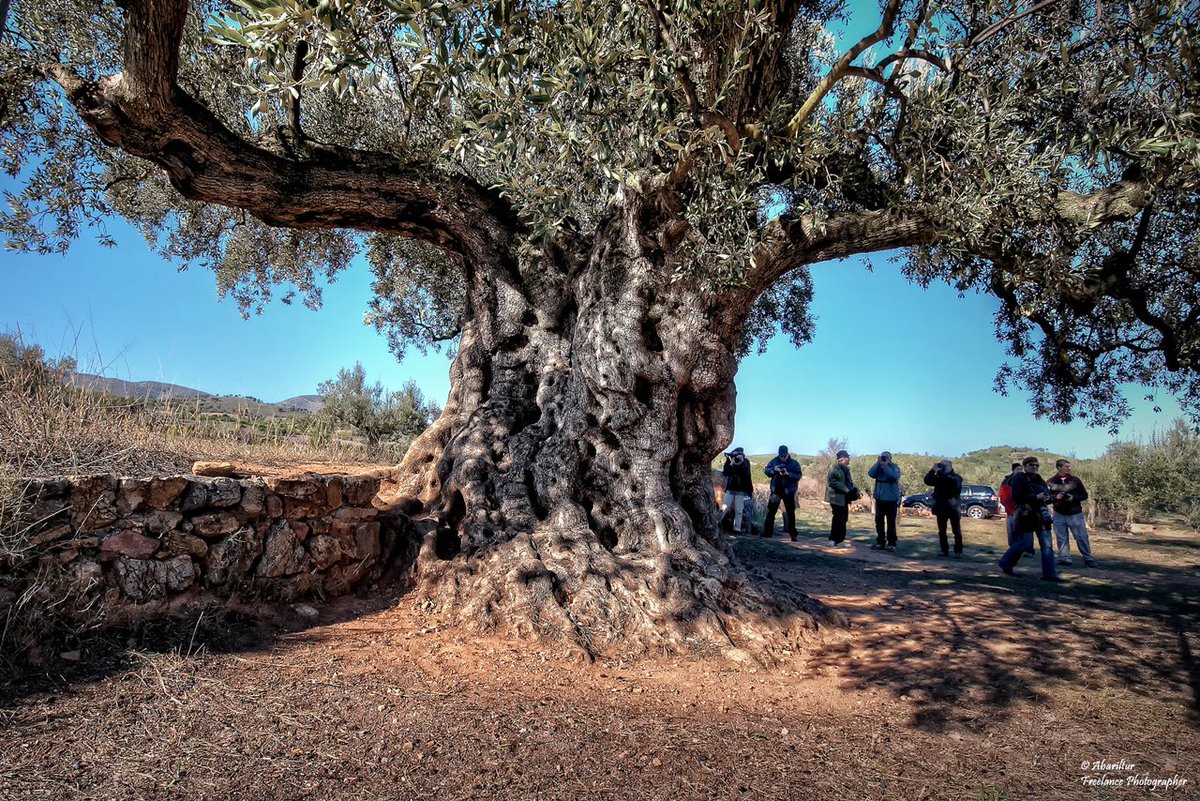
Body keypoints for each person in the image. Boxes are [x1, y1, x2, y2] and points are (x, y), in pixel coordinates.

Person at [998, 456, 1062, 581]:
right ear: (1025, 466)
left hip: (1042, 517)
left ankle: (1050, 574)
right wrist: (1035, 497)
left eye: (1037, 465)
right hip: (1026, 516)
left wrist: (1049, 498)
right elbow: (1016, 496)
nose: (1034, 467)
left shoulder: (1040, 480)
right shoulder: (1019, 479)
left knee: (1047, 546)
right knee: (1023, 544)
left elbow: (1048, 496)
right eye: (1031, 465)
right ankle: (1006, 563)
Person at [1045, 458, 1097, 567]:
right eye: (1066, 466)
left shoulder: (1075, 480)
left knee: (1081, 537)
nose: (1069, 468)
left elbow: (1084, 495)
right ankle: (1064, 558)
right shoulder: (1051, 481)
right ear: (1059, 467)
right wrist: (1056, 497)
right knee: (1061, 538)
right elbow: (1046, 498)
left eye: (1069, 466)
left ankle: (1088, 558)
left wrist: (1073, 498)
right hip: (1059, 514)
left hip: (1075, 514)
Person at [924, 460, 963, 557]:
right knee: (942, 531)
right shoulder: (939, 477)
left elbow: (954, 483)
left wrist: (941, 473)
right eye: (942, 465)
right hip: (941, 508)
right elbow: (927, 481)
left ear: (950, 466)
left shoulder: (956, 477)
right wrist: (932, 470)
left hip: (953, 508)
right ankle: (944, 550)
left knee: (956, 531)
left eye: (945, 465)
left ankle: (958, 551)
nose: (943, 467)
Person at [763, 446, 802, 540]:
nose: (783, 458)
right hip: (776, 490)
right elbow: (766, 471)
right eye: (781, 456)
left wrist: (788, 474)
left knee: (790, 513)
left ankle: (793, 534)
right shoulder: (774, 461)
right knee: (771, 512)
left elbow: (798, 475)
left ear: (787, 453)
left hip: (789, 491)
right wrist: (774, 470)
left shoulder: (794, 463)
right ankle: (768, 532)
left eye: (784, 456)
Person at [998, 461, 1035, 557]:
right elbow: (1003, 495)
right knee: (1011, 532)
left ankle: (1028, 550)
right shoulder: (1007, 481)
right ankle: (1013, 549)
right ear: (1013, 470)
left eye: (1021, 469)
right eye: (1017, 469)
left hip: (1023, 510)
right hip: (1011, 511)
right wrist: (1008, 507)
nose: (1020, 471)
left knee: (1026, 532)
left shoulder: (1026, 479)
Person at [868, 451, 901, 551]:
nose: (884, 458)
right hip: (880, 499)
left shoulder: (895, 467)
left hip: (891, 499)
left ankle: (892, 543)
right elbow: (871, 474)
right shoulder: (879, 467)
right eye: (883, 457)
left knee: (891, 522)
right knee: (879, 522)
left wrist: (885, 465)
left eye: (886, 457)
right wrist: (878, 463)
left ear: (890, 458)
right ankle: (880, 542)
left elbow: (893, 477)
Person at [826, 449, 858, 548]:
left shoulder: (846, 469)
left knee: (843, 519)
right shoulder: (835, 468)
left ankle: (839, 539)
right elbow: (831, 481)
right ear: (843, 459)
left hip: (844, 499)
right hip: (836, 498)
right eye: (847, 457)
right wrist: (844, 489)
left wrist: (853, 491)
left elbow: (848, 482)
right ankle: (833, 539)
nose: (849, 459)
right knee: (837, 518)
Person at [720, 447, 754, 535]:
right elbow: (725, 473)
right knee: (724, 507)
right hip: (731, 488)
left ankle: (737, 529)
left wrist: (741, 463)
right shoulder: (730, 461)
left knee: (739, 510)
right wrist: (731, 464)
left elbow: (746, 474)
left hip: (741, 489)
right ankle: (715, 523)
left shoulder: (745, 462)